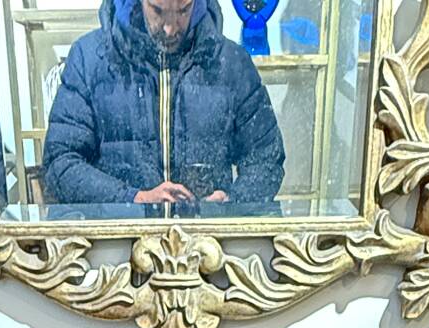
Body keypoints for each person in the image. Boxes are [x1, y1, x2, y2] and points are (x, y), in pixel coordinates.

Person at [42, 0, 285, 209]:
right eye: (157, 10)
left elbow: (266, 158)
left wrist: (232, 202)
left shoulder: (231, 63)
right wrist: (133, 200)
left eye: (183, 10)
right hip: (116, 251)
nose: (170, 29)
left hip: (210, 250)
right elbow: (60, 163)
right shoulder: (90, 59)